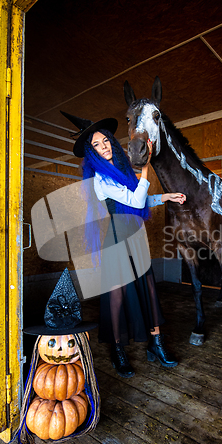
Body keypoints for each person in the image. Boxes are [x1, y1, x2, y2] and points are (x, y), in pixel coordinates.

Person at [62, 113, 186, 378]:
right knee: (117, 296)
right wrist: (146, 167)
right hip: (116, 238)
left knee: (148, 289)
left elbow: (137, 200)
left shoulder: (122, 169)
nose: (104, 145)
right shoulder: (99, 179)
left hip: (135, 237)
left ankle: (157, 343)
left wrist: (165, 197)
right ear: (91, 152)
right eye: (97, 144)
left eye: (105, 140)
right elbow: (134, 200)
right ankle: (117, 350)